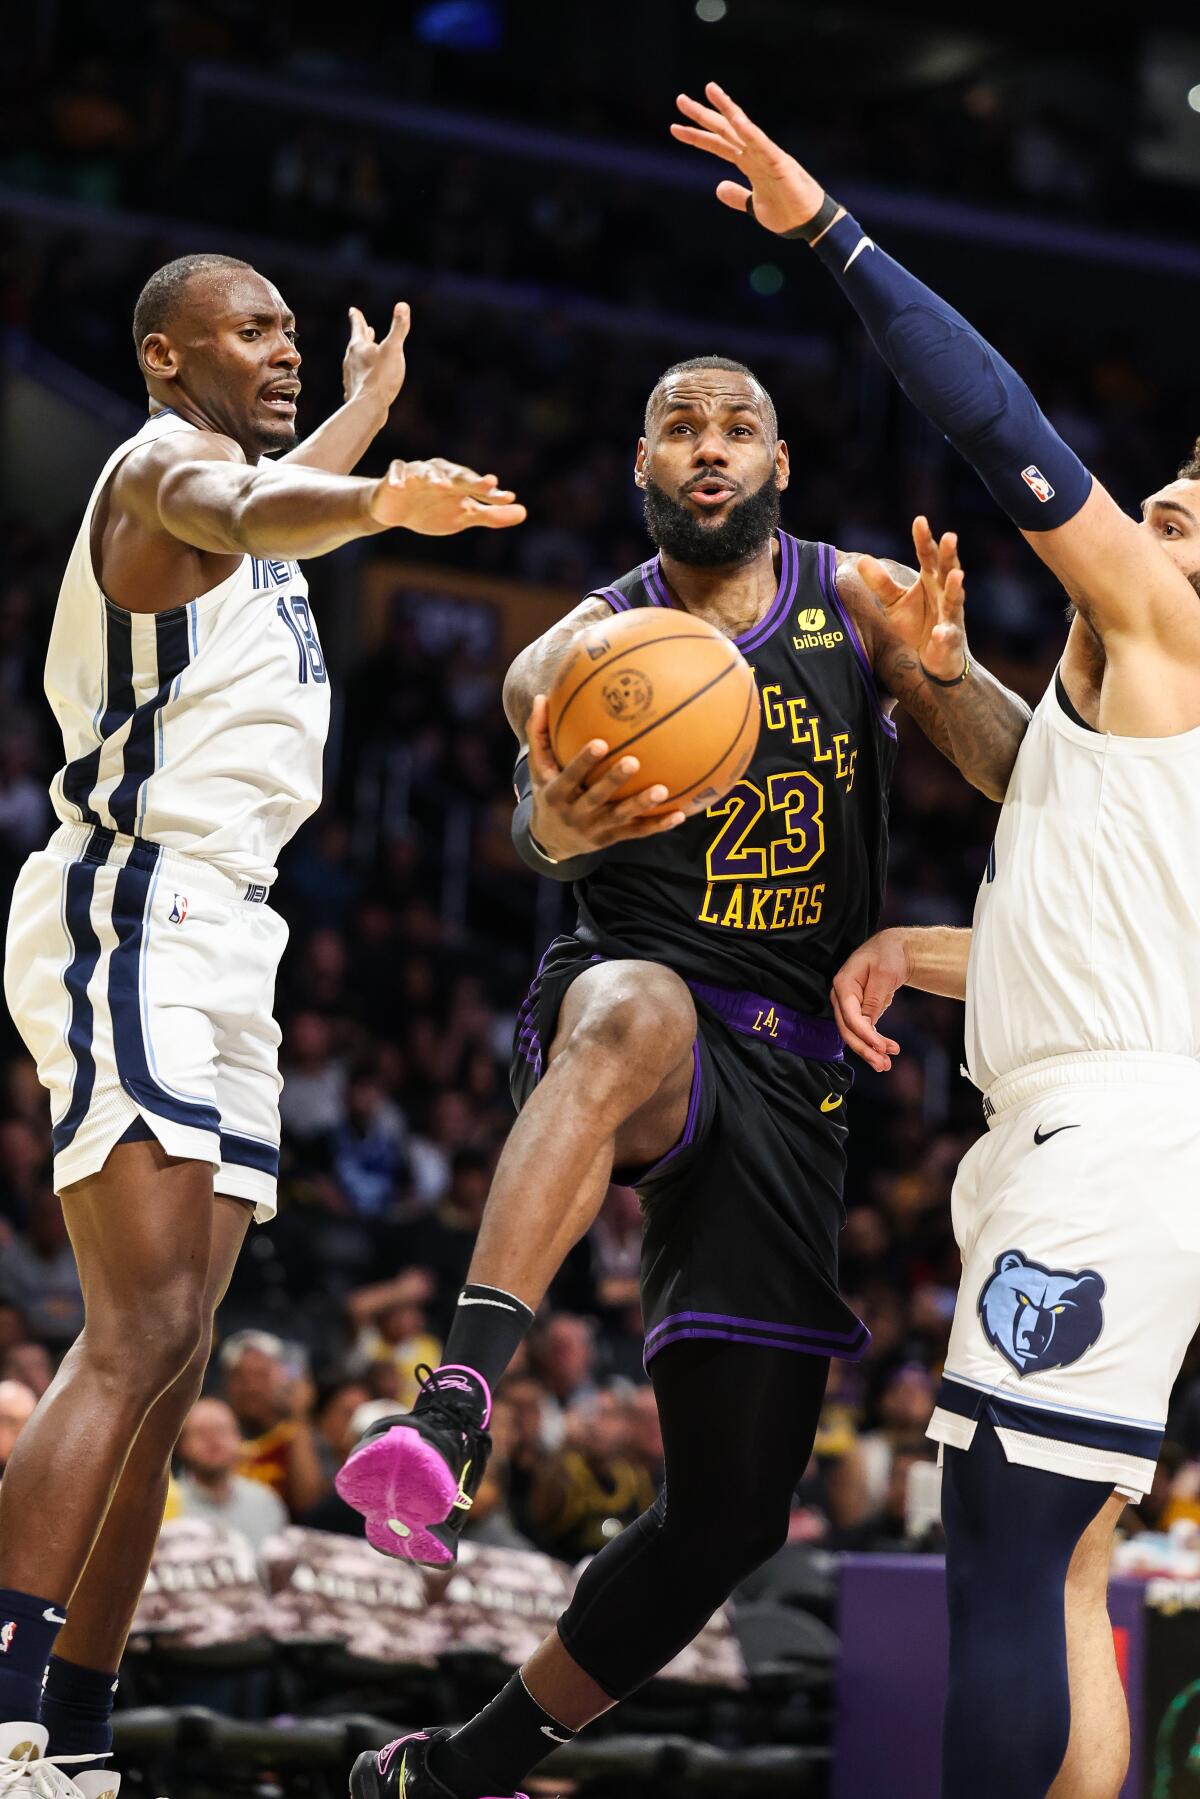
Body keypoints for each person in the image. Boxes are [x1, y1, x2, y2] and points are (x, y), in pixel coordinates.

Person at [340, 310, 1032, 1798]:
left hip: (795, 1070)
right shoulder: (582, 644)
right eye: (678, 424)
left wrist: (954, 671)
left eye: (733, 425)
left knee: (730, 1516)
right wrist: (551, 826)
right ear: (641, 459)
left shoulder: (855, 600)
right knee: (632, 1004)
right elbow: (532, 799)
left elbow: (1022, 778)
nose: (706, 445)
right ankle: (452, 1406)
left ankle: (459, 1769)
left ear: (776, 460)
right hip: (640, 1009)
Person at [685, 73, 1200, 1798]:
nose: (1169, 511)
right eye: (1173, 491)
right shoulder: (1140, 702)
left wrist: (825, 226)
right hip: (1103, 1106)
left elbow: (1003, 424)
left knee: (1003, 1536)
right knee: (1056, 1563)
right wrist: (942, 691)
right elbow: (1075, 895)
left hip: (1114, 1146)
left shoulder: (1175, 628)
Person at [0, 249, 524, 1798]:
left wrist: (359, 421)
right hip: (133, 898)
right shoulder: (162, 471)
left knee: (177, 1362)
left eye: (293, 327)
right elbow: (243, 507)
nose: (283, 345)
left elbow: (275, 499)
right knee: (138, 1330)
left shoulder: (255, 489)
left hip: (233, 928)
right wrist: (378, 499)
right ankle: (5, 1705)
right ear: (165, 357)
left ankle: (75, 1738)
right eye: (252, 328)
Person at [173, 1397, 288, 1551]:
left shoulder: (266, 1501)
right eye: (201, 1433)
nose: (213, 1440)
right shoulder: (167, 1506)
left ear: (239, 1439)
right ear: (181, 1444)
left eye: (222, 1430)